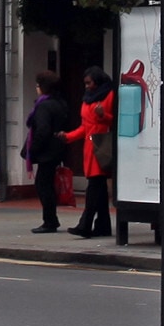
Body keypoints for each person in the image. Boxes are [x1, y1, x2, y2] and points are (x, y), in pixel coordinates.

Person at [64, 66, 115, 239]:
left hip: (102, 145)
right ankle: (103, 225)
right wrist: (68, 137)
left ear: (98, 81)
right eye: (85, 83)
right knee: (98, 190)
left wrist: (103, 116)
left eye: (89, 83)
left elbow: (116, 120)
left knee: (94, 189)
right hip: (90, 146)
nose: (86, 86)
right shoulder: (87, 99)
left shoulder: (110, 95)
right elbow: (85, 126)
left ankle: (85, 224)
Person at [21, 70, 71, 233]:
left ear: (43, 87)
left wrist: (32, 150)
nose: (36, 88)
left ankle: (50, 221)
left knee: (43, 185)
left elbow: (42, 130)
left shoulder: (43, 106)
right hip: (58, 149)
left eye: (37, 85)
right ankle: (50, 219)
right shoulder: (60, 103)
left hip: (47, 152)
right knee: (46, 184)